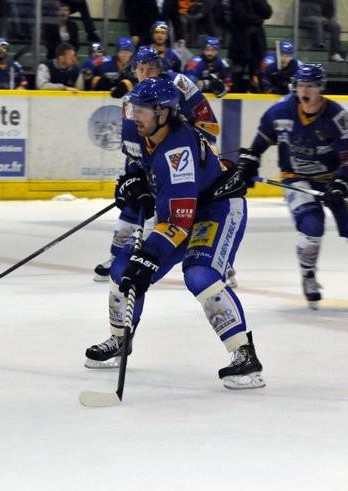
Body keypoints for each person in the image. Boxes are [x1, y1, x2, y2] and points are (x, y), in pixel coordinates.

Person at [84, 77, 263, 390]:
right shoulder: (134, 128)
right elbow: (137, 165)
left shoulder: (177, 152)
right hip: (182, 211)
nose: (134, 114)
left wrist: (150, 257)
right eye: (134, 107)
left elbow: (179, 223)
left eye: (143, 110)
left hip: (215, 209)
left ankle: (245, 356)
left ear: (164, 113)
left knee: (200, 274)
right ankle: (119, 340)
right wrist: (133, 183)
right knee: (123, 268)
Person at [236, 64, 348, 310]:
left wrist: (340, 184)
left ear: (321, 88)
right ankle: (308, 276)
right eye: (301, 85)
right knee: (311, 226)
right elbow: (261, 141)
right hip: (297, 178)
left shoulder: (339, 118)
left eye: (311, 86)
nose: (306, 90)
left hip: (337, 179)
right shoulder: (280, 111)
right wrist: (249, 163)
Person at [93, 46, 222, 282]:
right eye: (140, 69)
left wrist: (184, 141)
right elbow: (133, 149)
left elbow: (210, 126)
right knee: (135, 200)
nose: (145, 74)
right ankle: (116, 257)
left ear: (159, 69)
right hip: (154, 159)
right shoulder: (132, 100)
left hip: (188, 159)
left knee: (187, 211)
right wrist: (134, 177)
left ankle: (215, 260)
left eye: (150, 69)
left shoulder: (180, 83)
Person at [228, 0, 272, 92]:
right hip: (240, 44)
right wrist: (259, 19)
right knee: (237, 78)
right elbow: (241, 16)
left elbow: (268, 13)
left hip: (257, 44)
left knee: (257, 77)